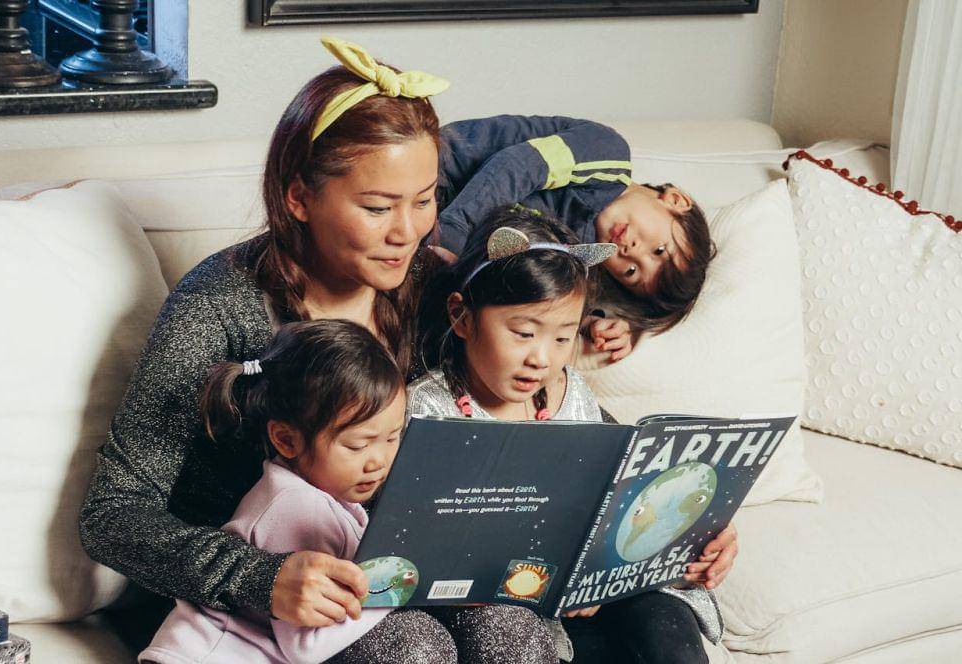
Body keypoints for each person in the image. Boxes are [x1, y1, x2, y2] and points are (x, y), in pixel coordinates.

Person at [79, 36, 449, 647]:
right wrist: (261, 578)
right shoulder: (219, 306)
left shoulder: (432, 286)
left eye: (425, 200)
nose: (407, 232)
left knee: (514, 627)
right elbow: (112, 514)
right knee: (412, 648)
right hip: (244, 614)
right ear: (298, 196)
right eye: (378, 207)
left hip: (396, 579)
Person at [411, 205, 733, 663]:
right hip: (510, 615)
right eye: (523, 334)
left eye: (563, 338)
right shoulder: (427, 411)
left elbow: (630, 503)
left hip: (593, 597)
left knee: (663, 617)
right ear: (463, 318)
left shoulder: (572, 394)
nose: (541, 358)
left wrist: (699, 537)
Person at [140, 320, 456, 664]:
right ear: (286, 440)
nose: (378, 461)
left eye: (392, 438)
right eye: (357, 445)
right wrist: (396, 586)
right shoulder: (292, 507)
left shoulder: (329, 493)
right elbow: (306, 646)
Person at [436, 116, 716, 360]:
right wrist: (453, 233)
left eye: (631, 272)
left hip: (437, 226)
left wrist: (592, 322)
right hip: (443, 169)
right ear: (676, 200)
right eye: (659, 250)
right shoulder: (608, 153)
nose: (631, 251)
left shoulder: (582, 256)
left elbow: (541, 293)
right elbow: (519, 166)